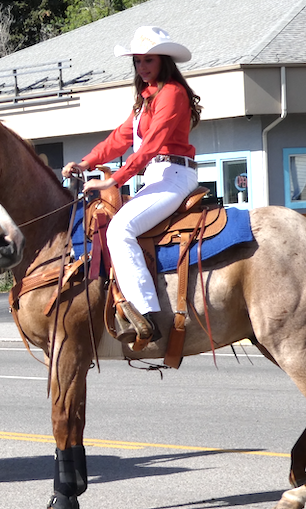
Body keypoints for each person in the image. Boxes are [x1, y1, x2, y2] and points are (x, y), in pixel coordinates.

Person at [61, 26, 201, 345]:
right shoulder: (145, 99)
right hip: (158, 176)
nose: (142, 66)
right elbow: (120, 138)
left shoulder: (172, 93)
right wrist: (86, 162)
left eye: (149, 60)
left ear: (163, 60)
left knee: (119, 230)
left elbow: (152, 144)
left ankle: (145, 313)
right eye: (138, 61)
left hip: (173, 175)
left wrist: (114, 179)